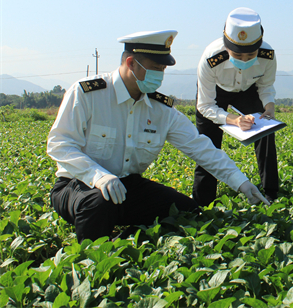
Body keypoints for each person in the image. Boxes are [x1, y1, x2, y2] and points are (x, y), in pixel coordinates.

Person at [47, 30, 269, 242]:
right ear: (131, 63)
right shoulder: (87, 94)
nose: (160, 76)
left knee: (187, 211)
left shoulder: (161, 109)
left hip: (128, 187)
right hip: (78, 184)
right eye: (155, 68)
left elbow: (202, 149)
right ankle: (93, 261)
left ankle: (129, 240)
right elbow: (60, 144)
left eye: (163, 70)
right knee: (99, 203)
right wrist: (98, 176)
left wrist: (242, 183)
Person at [194, 7, 279, 206]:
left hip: (249, 90)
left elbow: (266, 85)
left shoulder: (268, 56)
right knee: (207, 144)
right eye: (238, 55)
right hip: (217, 91)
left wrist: (269, 107)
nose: (244, 60)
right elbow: (205, 105)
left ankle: (270, 193)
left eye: (250, 56)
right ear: (226, 46)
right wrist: (233, 120)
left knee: (266, 131)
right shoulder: (210, 59)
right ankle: (202, 201)